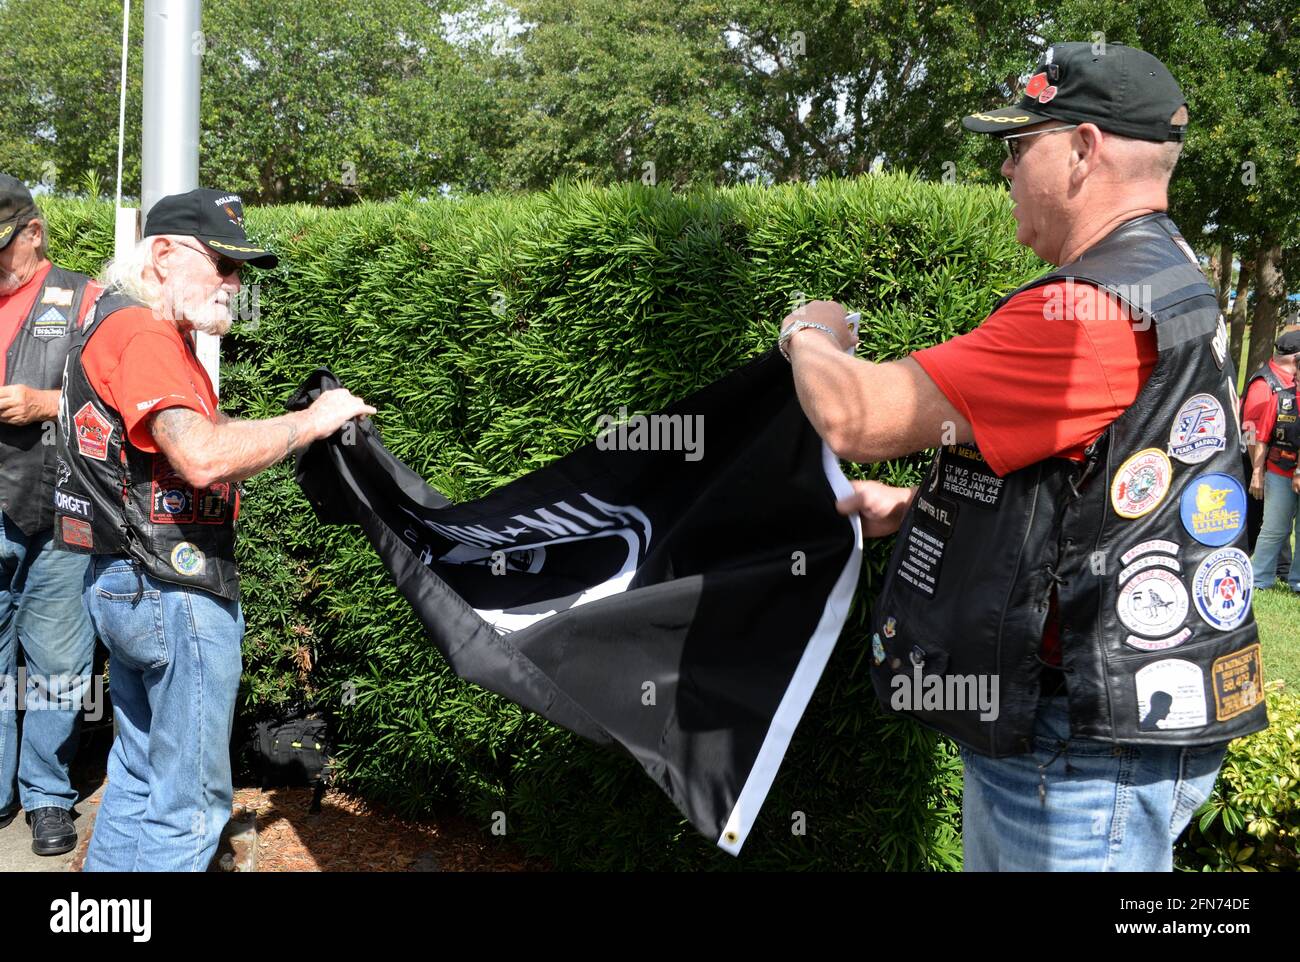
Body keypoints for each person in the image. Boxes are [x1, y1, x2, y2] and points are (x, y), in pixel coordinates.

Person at [778, 42, 1267, 871]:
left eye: (1017, 148)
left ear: (1083, 148)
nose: (1004, 173)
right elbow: (1105, 473)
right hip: (1120, 722)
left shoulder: (1086, 316)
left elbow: (853, 417)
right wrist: (917, 508)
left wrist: (809, 329)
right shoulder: (1168, 267)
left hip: (1076, 750)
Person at [54, 188, 374, 871]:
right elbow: (198, 456)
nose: (233, 284)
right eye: (221, 265)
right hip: (172, 591)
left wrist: (286, 429)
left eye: (241, 272)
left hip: (123, 584)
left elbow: (198, 439)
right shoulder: (144, 332)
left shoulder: (121, 324)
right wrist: (312, 424)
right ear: (164, 255)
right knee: (191, 805)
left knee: (139, 780)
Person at [0, 173, 99, 856]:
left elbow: (115, 402)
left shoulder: (87, 299)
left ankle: (47, 796)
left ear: (32, 233)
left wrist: (47, 404)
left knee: (60, 661)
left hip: (61, 509)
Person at [1243, 328, 1300, 592]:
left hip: (1281, 470)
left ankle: (1292, 577)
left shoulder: (1285, 384)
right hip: (1274, 470)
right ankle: (1261, 577)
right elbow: (1255, 435)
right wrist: (1259, 472)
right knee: (1273, 527)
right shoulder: (1267, 385)